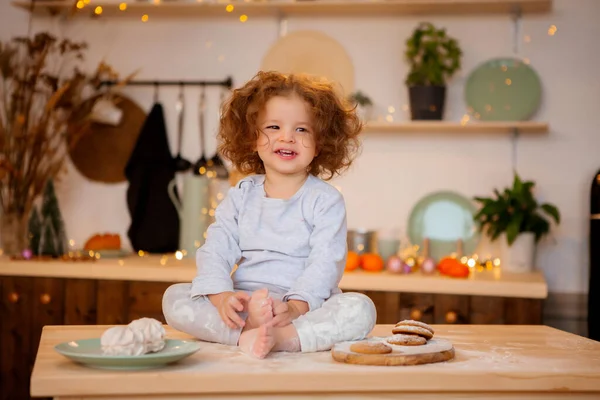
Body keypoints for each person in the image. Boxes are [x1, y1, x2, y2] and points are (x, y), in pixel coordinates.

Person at [162, 71, 376, 359]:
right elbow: (216, 249)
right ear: (251, 138)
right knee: (174, 298)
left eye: (302, 130)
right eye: (273, 126)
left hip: (302, 307)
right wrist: (223, 297)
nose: (287, 137)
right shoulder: (241, 195)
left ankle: (281, 337)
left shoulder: (325, 200)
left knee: (361, 309)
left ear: (320, 143)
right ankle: (246, 330)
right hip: (244, 303)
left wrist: (295, 307)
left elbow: (326, 262)